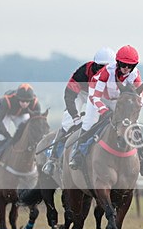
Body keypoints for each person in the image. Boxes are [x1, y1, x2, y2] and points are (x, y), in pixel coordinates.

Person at [67, 45, 143, 175]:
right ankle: (78, 154)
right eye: (124, 64)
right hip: (97, 96)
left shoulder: (135, 75)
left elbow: (141, 95)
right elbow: (95, 96)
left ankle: (142, 158)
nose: (126, 68)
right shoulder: (107, 72)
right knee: (89, 123)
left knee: (132, 124)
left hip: (118, 100)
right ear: (118, 62)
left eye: (130, 66)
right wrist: (104, 111)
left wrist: (136, 105)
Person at [42, 47, 115, 175]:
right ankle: (52, 159)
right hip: (82, 94)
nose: (104, 70)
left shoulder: (115, 73)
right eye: (101, 66)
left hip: (101, 96)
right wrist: (75, 117)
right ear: (95, 64)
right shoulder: (83, 72)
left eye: (107, 67)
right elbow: (69, 95)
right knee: (68, 122)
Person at [0, 83, 41, 173]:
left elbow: (37, 122)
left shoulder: (35, 102)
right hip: (5, 113)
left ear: (31, 100)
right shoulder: (6, 100)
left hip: (21, 115)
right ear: (17, 98)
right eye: (22, 101)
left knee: (26, 134)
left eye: (27, 102)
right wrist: (6, 134)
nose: (25, 104)